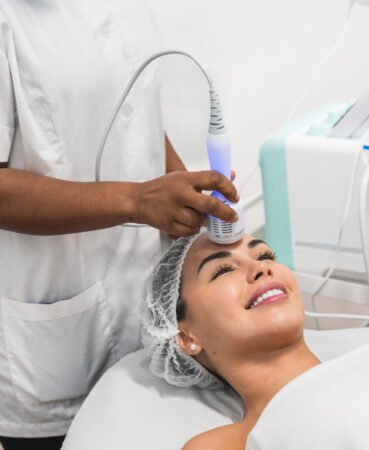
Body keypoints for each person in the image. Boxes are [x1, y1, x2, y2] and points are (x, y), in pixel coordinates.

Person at [0, 1, 238, 448]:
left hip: (151, 323)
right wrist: (136, 200)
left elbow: (133, 110)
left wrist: (183, 194)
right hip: (53, 343)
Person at [143, 232, 369, 450]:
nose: (261, 268)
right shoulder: (220, 446)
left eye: (265, 255)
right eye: (222, 270)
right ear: (185, 336)